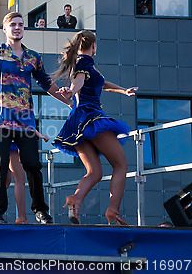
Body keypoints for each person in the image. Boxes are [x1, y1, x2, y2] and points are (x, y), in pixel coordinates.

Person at [0, 12, 72, 224]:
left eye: (21, 25)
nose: (17, 28)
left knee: (32, 165)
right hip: (0, 120)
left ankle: (40, 210)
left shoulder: (33, 57)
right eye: (12, 24)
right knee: (0, 164)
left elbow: (45, 82)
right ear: (5, 29)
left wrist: (66, 100)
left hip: (25, 122)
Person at [52, 30, 138, 225]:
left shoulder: (85, 65)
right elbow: (79, 82)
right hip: (91, 118)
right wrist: (72, 91)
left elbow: (101, 83)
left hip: (78, 122)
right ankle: (113, 210)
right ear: (94, 46)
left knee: (95, 172)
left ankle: (75, 200)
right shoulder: (84, 62)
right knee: (121, 165)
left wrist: (123, 90)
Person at [0, 70, 50, 224]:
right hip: (8, 138)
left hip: (10, 135)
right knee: (17, 177)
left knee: (6, 178)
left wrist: (37, 133)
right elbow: (16, 118)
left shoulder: (1, 96)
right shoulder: (2, 96)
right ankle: (20, 217)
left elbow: (21, 119)